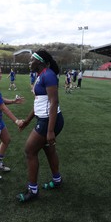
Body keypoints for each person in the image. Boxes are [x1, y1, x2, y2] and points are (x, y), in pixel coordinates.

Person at [16, 49, 64, 202]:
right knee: (49, 151)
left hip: (49, 121)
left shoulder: (48, 75)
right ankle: (57, 181)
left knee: (30, 151)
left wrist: (50, 131)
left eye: (31, 60)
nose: (29, 62)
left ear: (40, 62)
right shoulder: (41, 75)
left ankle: (33, 191)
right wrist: (28, 121)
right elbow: (39, 102)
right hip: (46, 119)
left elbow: (54, 102)